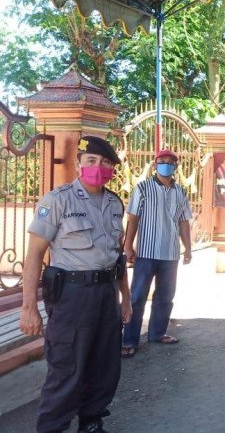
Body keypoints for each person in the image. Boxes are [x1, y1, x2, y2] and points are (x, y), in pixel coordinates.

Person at [19, 136, 132, 433]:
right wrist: (29, 307)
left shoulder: (114, 203)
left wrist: (126, 299)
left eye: (106, 163)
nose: (99, 167)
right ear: (78, 163)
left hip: (106, 294)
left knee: (104, 365)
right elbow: (34, 255)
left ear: (112, 169)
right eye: (92, 160)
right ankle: (52, 428)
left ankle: (91, 422)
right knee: (67, 368)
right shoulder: (58, 200)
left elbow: (117, 257)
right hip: (72, 296)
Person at [121, 149, 192, 358]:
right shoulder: (142, 188)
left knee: (165, 296)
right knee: (137, 297)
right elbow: (133, 218)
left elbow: (183, 221)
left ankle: (157, 333)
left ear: (176, 167)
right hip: (146, 252)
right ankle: (129, 339)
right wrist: (128, 246)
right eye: (163, 161)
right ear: (155, 165)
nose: (167, 165)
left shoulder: (180, 192)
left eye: (171, 162)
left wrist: (187, 248)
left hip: (170, 253)